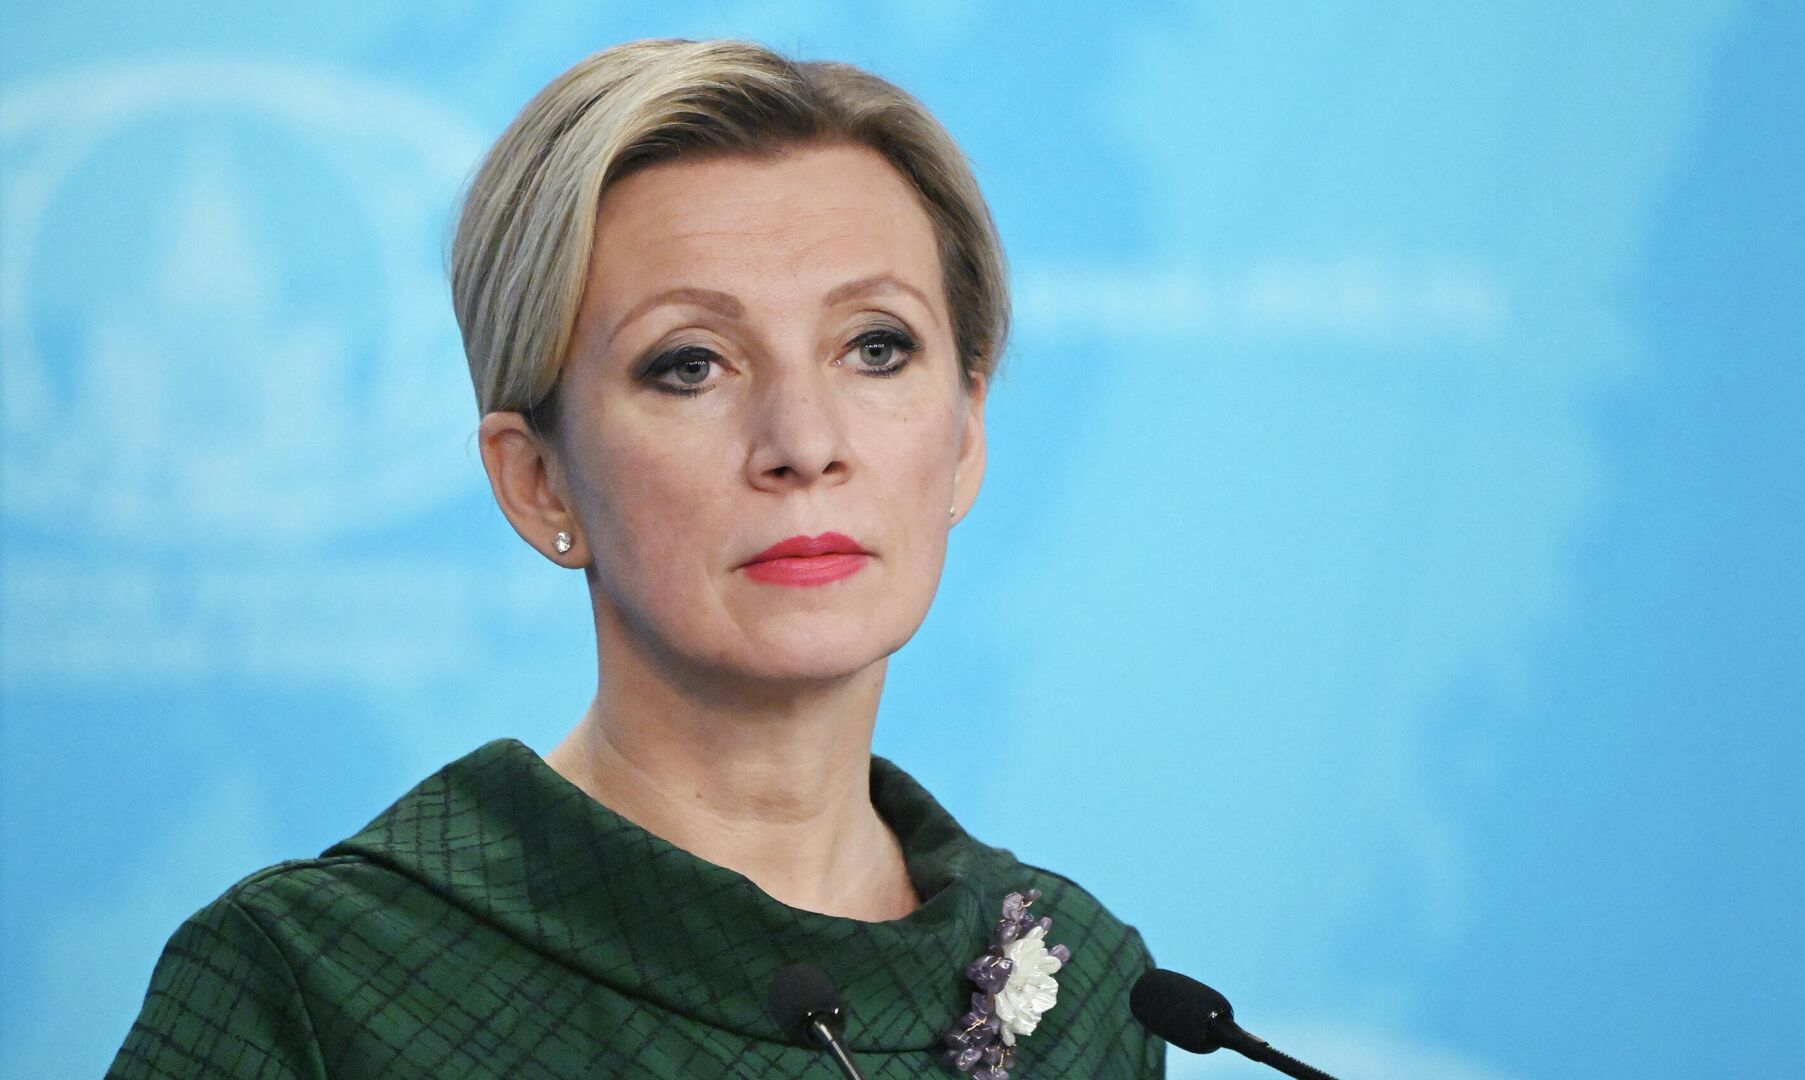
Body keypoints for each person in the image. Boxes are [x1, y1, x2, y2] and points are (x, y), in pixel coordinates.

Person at [110, 37, 1163, 1079]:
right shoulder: (314, 980)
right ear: (539, 481)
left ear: (966, 436)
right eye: (691, 364)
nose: (805, 443)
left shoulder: (1085, 991)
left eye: (875, 347)